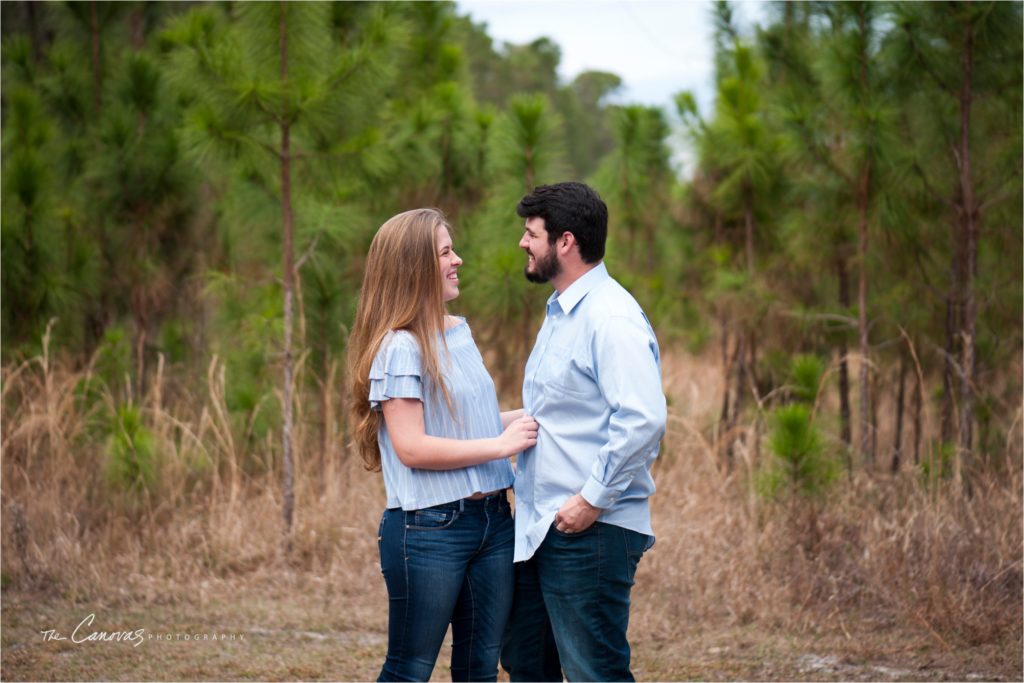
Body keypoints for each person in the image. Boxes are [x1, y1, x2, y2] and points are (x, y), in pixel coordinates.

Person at [348, 208, 539, 682]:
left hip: (493, 521)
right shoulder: (399, 347)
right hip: (429, 529)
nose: (459, 260)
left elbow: (462, 427)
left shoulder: (457, 331)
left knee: (479, 668)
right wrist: (501, 446)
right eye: (445, 252)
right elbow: (411, 446)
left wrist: (533, 419)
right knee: (409, 670)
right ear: (414, 266)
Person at [500, 182, 667, 682]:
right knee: (528, 665)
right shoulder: (561, 313)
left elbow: (642, 418)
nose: (523, 244)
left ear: (565, 241)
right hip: (540, 529)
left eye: (532, 234)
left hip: (590, 532)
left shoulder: (610, 317)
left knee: (595, 673)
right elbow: (555, 416)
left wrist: (591, 499)